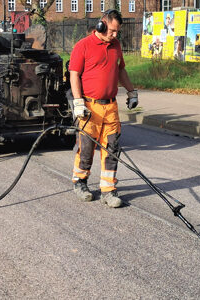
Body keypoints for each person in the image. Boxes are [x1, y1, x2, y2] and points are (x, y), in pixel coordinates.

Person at [68, 9, 138, 208]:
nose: (115, 35)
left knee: (112, 148)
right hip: (90, 107)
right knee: (87, 148)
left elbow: (120, 70)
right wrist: (78, 101)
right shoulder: (83, 46)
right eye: (112, 31)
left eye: (117, 32)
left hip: (111, 106)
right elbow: (74, 74)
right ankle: (80, 182)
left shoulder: (116, 46)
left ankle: (108, 190)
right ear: (101, 24)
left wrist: (132, 92)